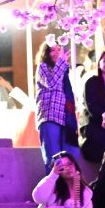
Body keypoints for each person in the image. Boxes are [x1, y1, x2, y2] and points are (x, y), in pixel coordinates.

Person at [35, 42, 79, 174]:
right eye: (52, 50)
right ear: (46, 53)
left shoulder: (63, 71)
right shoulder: (43, 67)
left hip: (65, 118)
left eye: (59, 50)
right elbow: (51, 83)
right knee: (53, 159)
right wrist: (62, 62)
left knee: (68, 159)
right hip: (50, 116)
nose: (57, 53)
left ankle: (66, 191)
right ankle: (52, 192)